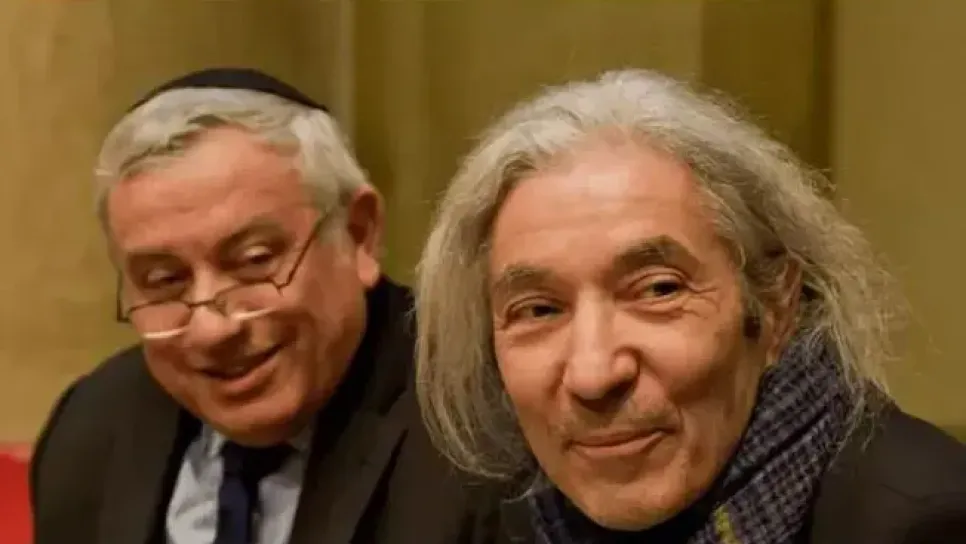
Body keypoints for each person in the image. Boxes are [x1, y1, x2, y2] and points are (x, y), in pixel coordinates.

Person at [414, 69, 966, 543]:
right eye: (539, 311)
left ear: (776, 307)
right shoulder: (517, 520)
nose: (593, 374)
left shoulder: (920, 524)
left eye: (658, 290)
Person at [31, 68, 511, 544]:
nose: (211, 329)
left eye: (253, 261)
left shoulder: (483, 423)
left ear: (359, 234)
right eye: (164, 281)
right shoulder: (93, 428)